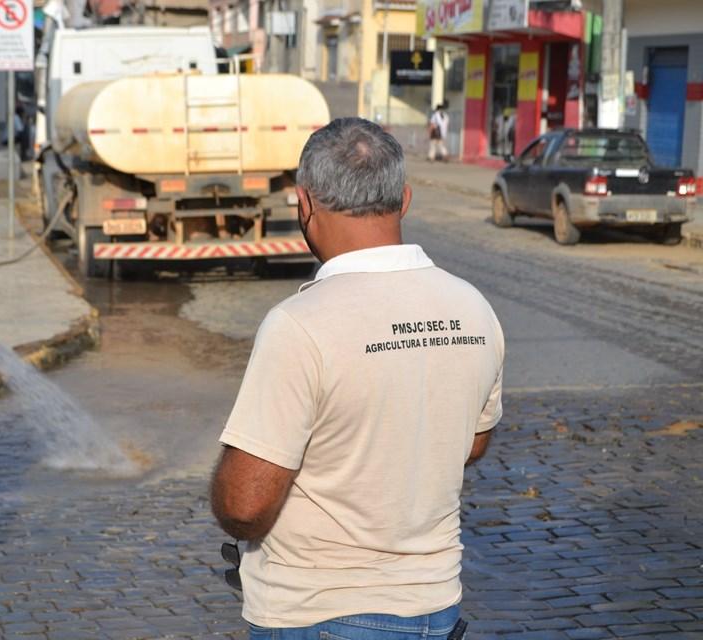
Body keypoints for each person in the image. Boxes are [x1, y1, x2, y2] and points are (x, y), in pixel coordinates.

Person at [211, 118, 504, 639]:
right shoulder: (472, 307)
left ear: (305, 203)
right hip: (436, 608)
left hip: (322, 612)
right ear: (405, 199)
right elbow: (473, 442)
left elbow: (245, 506)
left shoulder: (300, 325)